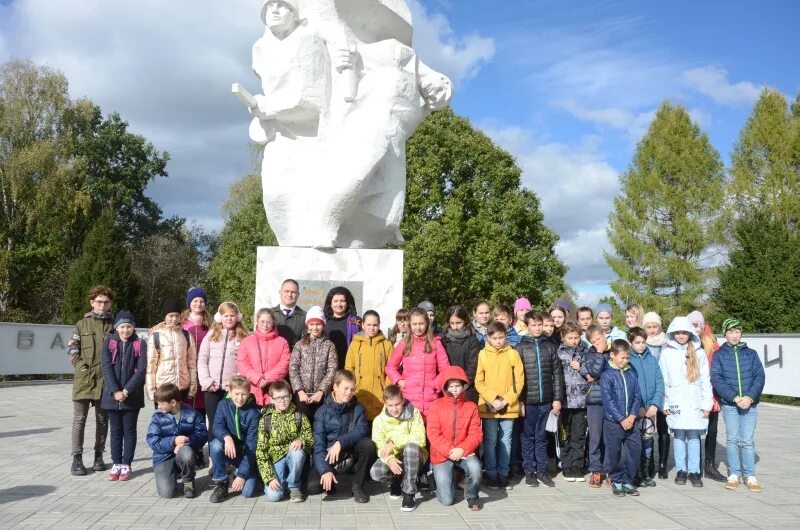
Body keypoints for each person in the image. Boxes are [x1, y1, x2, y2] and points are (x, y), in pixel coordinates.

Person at [711, 318, 765, 493]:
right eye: (730, 332)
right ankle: (734, 473)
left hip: (750, 404)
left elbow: (759, 377)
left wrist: (749, 397)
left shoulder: (751, 354)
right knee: (732, 439)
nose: (734, 335)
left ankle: (750, 475)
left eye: (737, 332)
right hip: (730, 404)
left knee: (747, 441)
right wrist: (734, 397)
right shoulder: (719, 355)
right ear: (725, 334)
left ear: (741, 333)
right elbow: (717, 379)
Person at [659, 316, 712, 487]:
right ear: (672, 333)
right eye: (678, 333)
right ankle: (682, 470)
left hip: (695, 402)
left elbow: (705, 380)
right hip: (675, 401)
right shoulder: (667, 353)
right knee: (679, 435)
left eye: (684, 332)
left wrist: (706, 404)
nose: (681, 336)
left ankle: (695, 471)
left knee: (694, 435)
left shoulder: (699, 353)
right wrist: (665, 403)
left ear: (690, 333)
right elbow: (663, 380)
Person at [67, 285, 114, 475]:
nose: (102, 305)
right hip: (85, 378)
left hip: (106, 380)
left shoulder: (115, 325)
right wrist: (79, 365)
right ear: (92, 303)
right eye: (99, 301)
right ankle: (77, 459)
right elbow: (72, 348)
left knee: (103, 419)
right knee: (80, 419)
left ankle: (98, 456)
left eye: (106, 302)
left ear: (110, 304)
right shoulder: (81, 324)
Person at [309, 370, 376, 503]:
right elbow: (318, 446)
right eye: (345, 388)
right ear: (335, 387)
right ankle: (331, 478)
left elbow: (362, 430)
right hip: (329, 457)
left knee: (368, 445)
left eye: (352, 389)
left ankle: (357, 486)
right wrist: (325, 470)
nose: (349, 392)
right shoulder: (321, 412)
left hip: (350, 454)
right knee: (313, 487)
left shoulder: (358, 408)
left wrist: (340, 442)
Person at [517, 312, 565, 488]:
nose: (537, 328)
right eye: (534, 325)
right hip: (528, 401)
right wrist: (520, 401)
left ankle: (542, 471)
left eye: (540, 325)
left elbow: (557, 374)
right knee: (527, 436)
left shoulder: (550, 346)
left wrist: (557, 398)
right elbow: (517, 378)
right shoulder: (520, 348)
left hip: (546, 400)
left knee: (542, 436)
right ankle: (529, 471)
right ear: (527, 326)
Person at [475, 321, 524, 490]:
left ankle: (503, 474)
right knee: (490, 441)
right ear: (488, 337)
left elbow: (519, 380)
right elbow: (479, 382)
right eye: (494, 338)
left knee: (506, 440)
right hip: (489, 407)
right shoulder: (483, 354)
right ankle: (491, 474)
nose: (498, 341)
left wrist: (506, 400)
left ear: (506, 336)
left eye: (501, 337)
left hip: (508, 406)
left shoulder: (513, 354)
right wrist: (493, 399)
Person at [428, 366, 483, 511]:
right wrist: (450, 450)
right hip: (441, 453)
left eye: (457, 385)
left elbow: (476, 433)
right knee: (446, 500)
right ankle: (438, 479)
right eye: (450, 386)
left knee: (475, 467)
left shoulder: (471, 407)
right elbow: (433, 433)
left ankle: (472, 496)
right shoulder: (436, 406)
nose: (454, 389)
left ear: (463, 385)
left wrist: (463, 449)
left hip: (463, 451)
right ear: (445, 387)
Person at [101, 310, 147, 482]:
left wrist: (126, 391)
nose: (125, 330)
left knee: (129, 430)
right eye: (122, 327)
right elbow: (106, 367)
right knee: (115, 431)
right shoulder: (109, 342)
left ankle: (126, 464)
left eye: (129, 327)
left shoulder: (139, 343)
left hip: (131, 396)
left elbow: (141, 369)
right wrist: (115, 391)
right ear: (117, 328)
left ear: (133, 328)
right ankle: (116, 463)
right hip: (112, 396)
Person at [369, 385, 427, 512]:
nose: (394, 409)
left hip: (415, 457)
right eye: (390, 405)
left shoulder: (414, 413)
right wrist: (389, 459)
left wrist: (394, 441)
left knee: (411, 447)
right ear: (385, 404)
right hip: (394, 458)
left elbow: (420, 439)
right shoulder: (379, 421)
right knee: (376, 472)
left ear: (403, 401)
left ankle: (409, 493)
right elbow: (379, 445)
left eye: (397, 404)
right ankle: (396, 482)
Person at [386, 307, 450, 420]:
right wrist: (400, 381)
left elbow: (446, 370)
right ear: (410, 324)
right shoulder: (405, 343)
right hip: (408, 398)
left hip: (430, 399)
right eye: (414, 324)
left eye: (421, 323)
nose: (418, 327)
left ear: (427, 323)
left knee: (429, 435)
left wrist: (435, 385)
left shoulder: (436, 342)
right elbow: (390, 367)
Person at [256, 379, 314, 502]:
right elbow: (261, 451)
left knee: (298, 453)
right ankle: (278, 482)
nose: (282, 400)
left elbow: (309, 436)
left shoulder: (299, 416)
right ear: (272, 399)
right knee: (274, 496)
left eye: (285, 397)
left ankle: (294, 487)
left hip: (292, 457)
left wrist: (301, 440)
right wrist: (269, 478)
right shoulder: (266, 420)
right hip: (276, 460)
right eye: (278, 398)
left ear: (291, 397)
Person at [146, 383, 208, 498]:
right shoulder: (157, 416)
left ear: (173, 403)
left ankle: (188, 481)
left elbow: (203, 434)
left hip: (184, 451)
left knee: (187, 454)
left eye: (161, 404)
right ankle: (171, 474)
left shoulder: (192, 413)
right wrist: (173, 441)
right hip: (163, 456)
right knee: (167, 493)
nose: (158, 407)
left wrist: (186, 442)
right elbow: (152, 440)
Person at [198, 302, 247, 442]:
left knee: (231, 422)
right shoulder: (211, 335)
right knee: (214, 422)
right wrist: (207, 382)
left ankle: (232, 455)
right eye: (226, 316)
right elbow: (202, 360)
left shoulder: (243, 336)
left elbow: (243, 363)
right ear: (219, 317)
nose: (229, 319)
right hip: (211, 388)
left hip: (231, 389)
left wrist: (235, 385)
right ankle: (215, 457)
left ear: (237, 317)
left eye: (232, 315)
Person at [209, 375, 262, 502]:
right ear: (230, 391)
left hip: (246, 455)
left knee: (248, 492)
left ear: (249, 393)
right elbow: (216, 427)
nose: (240, 398)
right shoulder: (223, 405)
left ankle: (241, 472)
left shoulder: (253, 413)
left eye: (244, 394)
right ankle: (221, 482)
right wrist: (226, 437)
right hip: (229, 449)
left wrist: (242, 475)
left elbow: (252, 446)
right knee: (215, 445)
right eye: (237, 394)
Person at [687, 310, 726, 483]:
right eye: (692, 324)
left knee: (712, 430)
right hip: (691, 393)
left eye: (698, 324)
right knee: (691, 430)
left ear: (703, 325)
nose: (696, 327)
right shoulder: (683, 341)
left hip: (711, 392)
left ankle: (709, 466)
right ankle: (692, 466)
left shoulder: (712, 343)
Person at [601, 340, 642, 497]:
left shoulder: (631, 372)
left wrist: (632, 415)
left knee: (635, 450)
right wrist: (621, 419)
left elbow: (637, 395)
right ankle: (617, 480)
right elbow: (608, 401)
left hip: (632, 420)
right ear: (612, 355)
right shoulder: (607, 375)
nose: (625, 361)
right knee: (615, 452)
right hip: (614, 422)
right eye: (622, 358)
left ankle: (627, 480)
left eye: (627, 358)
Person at [627, 327, 664, 488]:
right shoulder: (628, 360)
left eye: (643, 342)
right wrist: (639, 407)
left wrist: (655, 404)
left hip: (651, 410)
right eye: (637, 342)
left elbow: (659, 383)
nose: (641, 345)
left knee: (648, 442)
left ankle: (646, 472)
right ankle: (635, 474)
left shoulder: (652, 360)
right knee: (636, 442)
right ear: (631, 343)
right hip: (636, 410)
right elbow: (630, 387)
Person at [146, 298, 197, 406]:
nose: (174, 319)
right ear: (165, 316)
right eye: (171, 316)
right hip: (163, 388)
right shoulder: (156, 336)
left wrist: (192, 387)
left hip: (182, 387)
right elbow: (151, 366)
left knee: (182, 420)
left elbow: (191, 363)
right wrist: (151, 391)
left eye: (177, 315)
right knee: (165, 421)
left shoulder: (186, 335)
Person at [290, 306, 338, 420]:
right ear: (307, 325)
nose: (315, 327)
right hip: (303, 395)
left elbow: (332, 369)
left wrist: (321, 391)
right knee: (303, 423)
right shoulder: (300, 345)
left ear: (323, 325)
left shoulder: (329, 345)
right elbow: (293, 368)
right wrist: (300, 391)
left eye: (318, 324)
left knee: (320, 423)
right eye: (312, 324)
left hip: (321, 396)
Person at [345, 309, 393, 422]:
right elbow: (349, 368)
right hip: (360, 394)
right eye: (369, 325)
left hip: (380, 397)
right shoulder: (355, 344)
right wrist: (354, 388)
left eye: (375, 325)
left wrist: (386, 390)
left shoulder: (387, 345)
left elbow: (390, 370)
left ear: (379, 325)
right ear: (363, 325)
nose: (372, 328)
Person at [556, 322, 589, 482]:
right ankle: (566, 465)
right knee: (564, 434)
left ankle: (577, 465)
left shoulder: (585, 352)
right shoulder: (558, 353)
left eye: (576, 337)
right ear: (563, 338)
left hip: (581, 401)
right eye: (570, 338)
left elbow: (591, 371)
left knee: (579, 435)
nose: (574, 340)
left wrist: (581, 366)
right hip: (564, 401)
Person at [238, 307, 290, 406]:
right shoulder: (247, 341)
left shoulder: (282, 342)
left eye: (268, 322)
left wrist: (267, 379)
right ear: (257, 321)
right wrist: (257, 379)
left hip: (274, 390)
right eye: (262, 321)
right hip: (251, 389)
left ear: (273, 323)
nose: (265, 325)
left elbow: (284, 364)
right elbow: (242, 363)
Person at [182, 287, 212, 441]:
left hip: (205, 371)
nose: (198, 304)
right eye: (195, 301)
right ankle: (189, 444)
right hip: (187, 371)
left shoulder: (211, 324)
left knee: (201, 409)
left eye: (201, 301)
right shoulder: (182, 323)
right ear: (189, 303)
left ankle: (199, 445)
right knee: (187, 409)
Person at [642, 311, 669, 478]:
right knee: (648, 428)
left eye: (655, 326)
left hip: (665, 390)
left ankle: (663, 464)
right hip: (649, 392)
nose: (652, 330)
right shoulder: (641, 344)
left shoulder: (667, 342)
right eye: (649, 327)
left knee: (664, 429)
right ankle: (649, 461)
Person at [584, 324, 610, 487]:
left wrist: (598, 375)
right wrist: (599, 353)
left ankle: (609, 469)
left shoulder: (614, 351)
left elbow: (613, 372)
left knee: (609, 437)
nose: (597, 343)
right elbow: (594, 372)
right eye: (594, 342)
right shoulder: (591, 354)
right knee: (595, 436)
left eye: (599, 339)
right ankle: (595, 470)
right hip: (594, 400)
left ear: (604, 335)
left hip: (612, 400)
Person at [441, 305, 480, 403]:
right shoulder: (444, 340)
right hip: (447, 388)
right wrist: (450, 386)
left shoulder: (472, 340)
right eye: (452, 323)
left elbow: (473, 367)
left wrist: (461, 387)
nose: (455, 327)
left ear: (465, 321)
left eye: (458, 323)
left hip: (467, 389)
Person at [323, 286, 361, 370]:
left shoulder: (356, 322)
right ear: (330, 303)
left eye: (342, 301)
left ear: (347, 303)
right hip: (328, 369)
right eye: (335, 301)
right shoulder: (324, 322)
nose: (339, 304)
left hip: (350, 367)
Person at [273, 279, 306, 350]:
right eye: (286, 291)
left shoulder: (305, 317)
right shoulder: (270, 314)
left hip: (295, 359)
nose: (289, 295)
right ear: (280, 292)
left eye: (293, 292)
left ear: (298, 295)